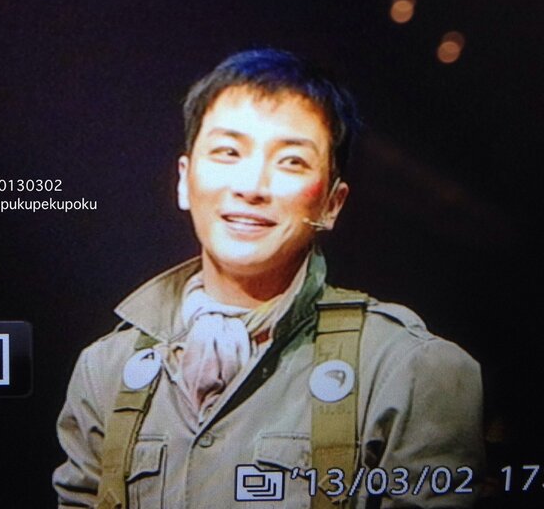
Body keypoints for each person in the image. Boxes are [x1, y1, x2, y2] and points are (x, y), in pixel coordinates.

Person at [53, 49, 485, 508]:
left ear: (332, 204)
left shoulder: (407, 369)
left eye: (291, 161)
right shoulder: (107, 369)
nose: (252, 187)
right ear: (184, 180)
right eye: (228, 152)